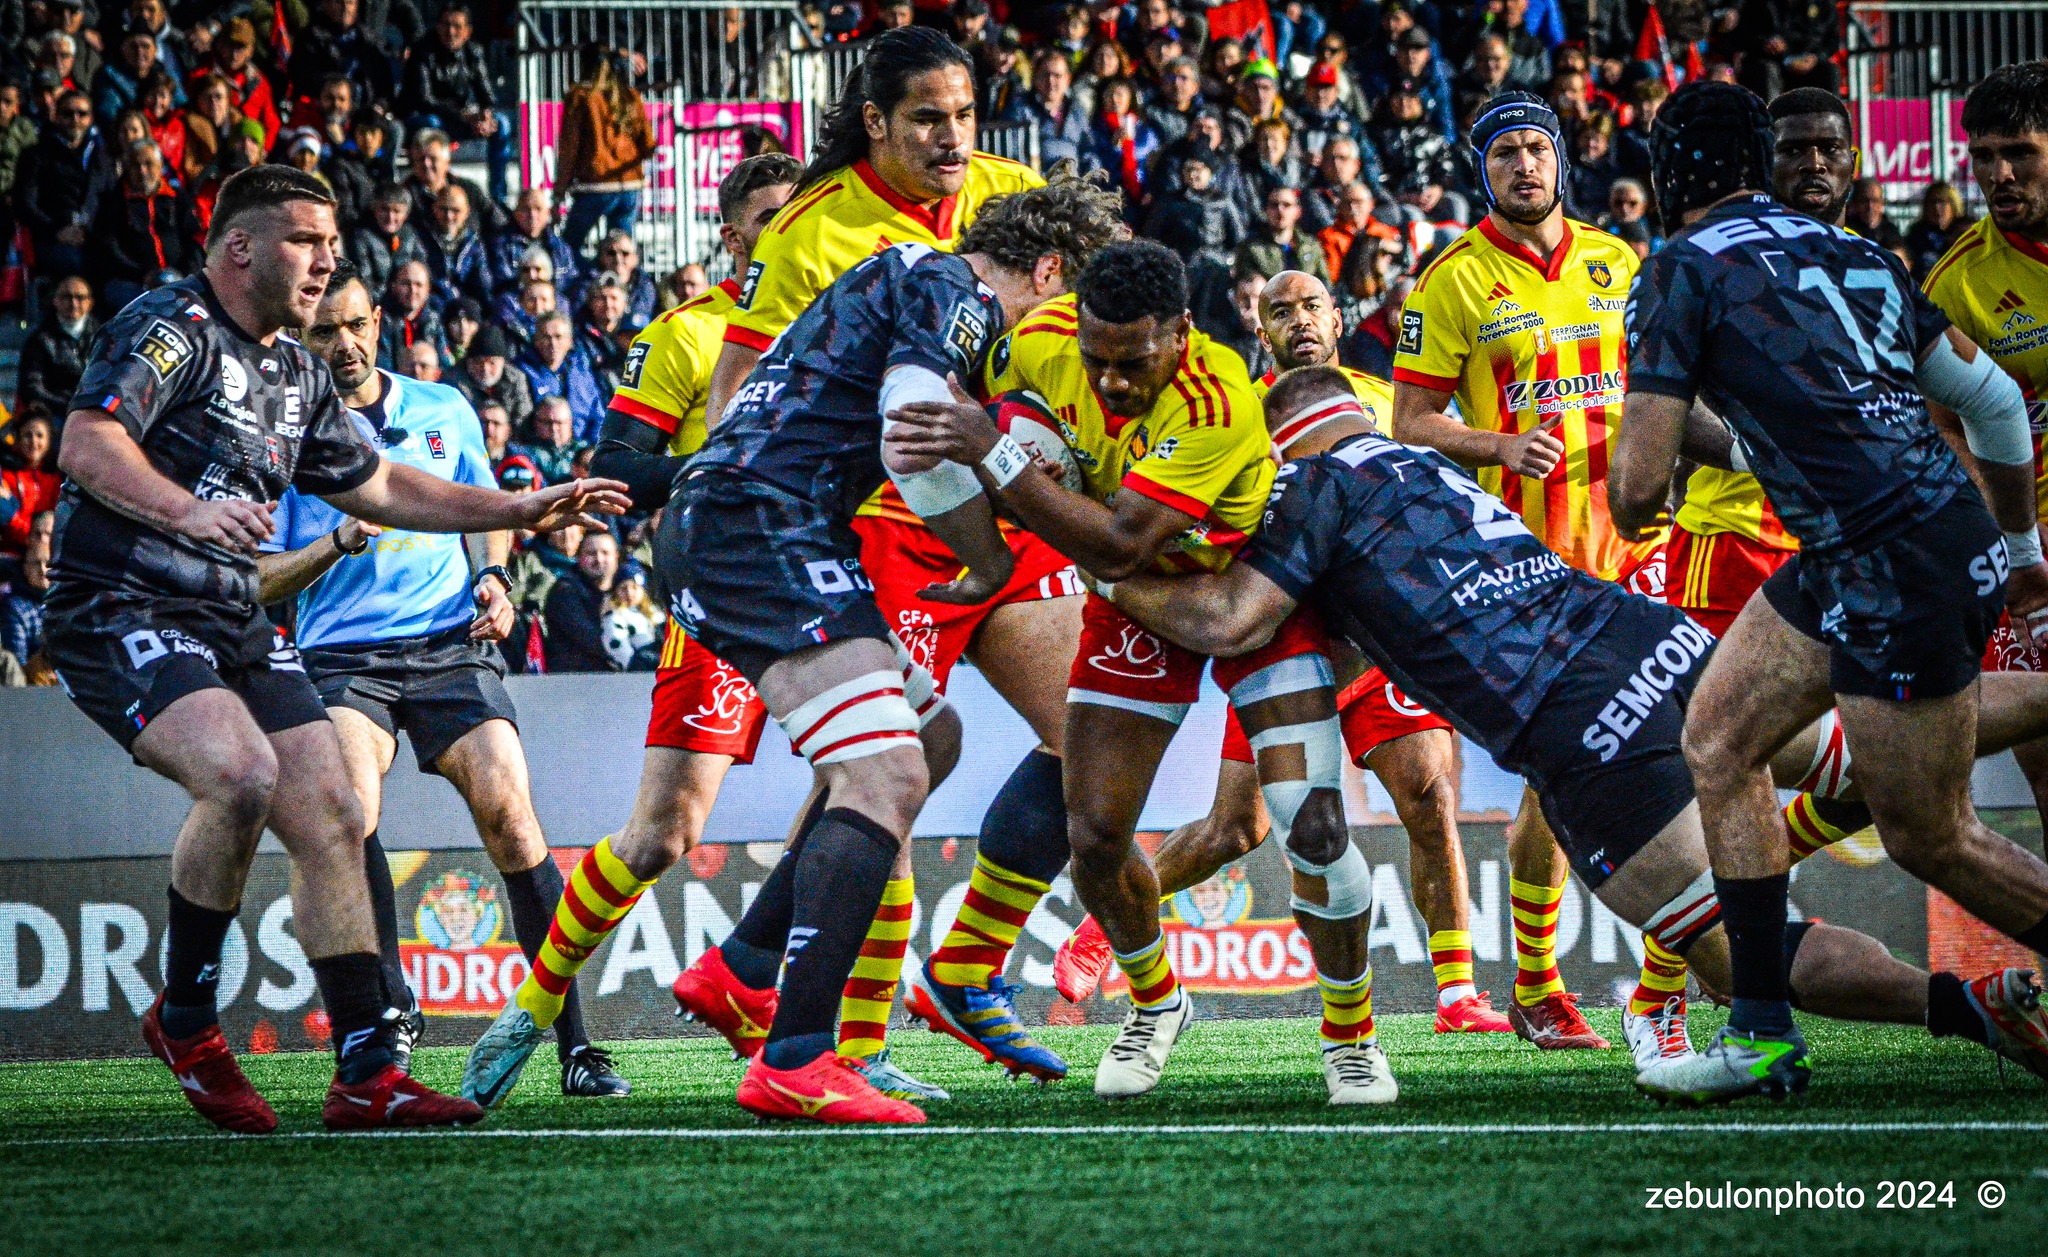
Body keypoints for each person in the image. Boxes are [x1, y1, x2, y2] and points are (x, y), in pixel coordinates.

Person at [1103, 363, 2048, 1098]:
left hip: (1581, 723)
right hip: (1649, 634)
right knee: (1882, 745)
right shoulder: (1426, 460)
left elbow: (1232, 620)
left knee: (1733, 955)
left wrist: (1109, 570)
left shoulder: (1304, 493)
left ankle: (1966, 1006)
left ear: (1279, 441)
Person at [464, 178, 1105, 1125]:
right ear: (1050, 271)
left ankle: (748, 967)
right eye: (1075, 306)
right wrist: (985, 556)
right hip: (759, 530)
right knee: (882, 774)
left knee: (929, 740)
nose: (1070, 336)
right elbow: (914, 427)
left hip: (759, 527)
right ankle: (797, 1056)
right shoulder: (954, 292)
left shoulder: (905, 277)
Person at [40, 164, 625, 1134]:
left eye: (331, 245)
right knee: (239, 773)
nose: (327, 261)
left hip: (226, 615)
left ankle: (366, 1068)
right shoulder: (170, 326)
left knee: (335, 806)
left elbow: (384, 488)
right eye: (306, 240)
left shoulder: (297, 373)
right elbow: (88, 443)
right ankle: (186, 1019)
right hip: (121, 600)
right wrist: (190, 512)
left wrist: (520, 507)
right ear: (239, 247)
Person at [1611, 81, 2048, 1103]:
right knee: (1716, 739)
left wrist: (1649, 487)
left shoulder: (1676, 268)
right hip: (1893, 544)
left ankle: (1762, 1025)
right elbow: (1988, 401)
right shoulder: (1861, 253)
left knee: (1928, 835)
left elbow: (1633, 491)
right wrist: (2019, 544)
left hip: (1887, 565)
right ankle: (1761, 1033)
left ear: (1668, 169)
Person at [887, 242, 1396, 1108]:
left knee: (1307, 826)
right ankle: (1159, 1001)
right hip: (1139, 601)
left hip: (1253, 590)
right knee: (1092, 836)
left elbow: (1118, 542)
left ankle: (1351, 1034)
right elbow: (958, 383)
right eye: (1098, 361)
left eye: (1134, 363)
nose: (1112, 382)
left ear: (1183, 333)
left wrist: (1000, 455)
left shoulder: (1220, 399)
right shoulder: (1046, 337)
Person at [1053, 272, 1513, 1035]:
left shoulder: (1388, 404)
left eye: (1311, 307)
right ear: (1258, 330)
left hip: (1371, 633)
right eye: (1280, 312)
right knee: (1238, 829)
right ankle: (1106, 923)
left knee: (1429, 794)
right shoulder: (1237, 411)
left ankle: (1458, 990)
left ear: (1339, 318)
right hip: (1280, 641)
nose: (1299, 321)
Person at [260, 258, 627, 1097]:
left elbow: (486, 511)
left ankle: (572, 1038)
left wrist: (493, 579)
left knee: (511, 815)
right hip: (344, 657)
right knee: (348, 812)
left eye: (356, 326)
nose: (344, 344)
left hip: (448, 646)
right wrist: (332, 545)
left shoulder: (443, 407)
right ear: (300, 338)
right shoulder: (287, 438)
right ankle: (387, 1011)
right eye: (325, 331)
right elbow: (263, 574)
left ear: (379, 325)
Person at [1390, 90, 1645, 1053]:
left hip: (1640, 547)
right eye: (1506, 155)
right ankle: (1538, 981)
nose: (1524, 167)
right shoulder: (1450, 281)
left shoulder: (1619, 260)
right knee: (1557, 768)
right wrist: (1499, 442)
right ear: (1482, 172)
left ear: (1563, 162)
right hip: (1533, 570)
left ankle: (1638, 976)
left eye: (1539, 148)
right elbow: (1411, 424)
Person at [1924, 61, 2048, 818]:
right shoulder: (1958, 283)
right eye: (1982, 156)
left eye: (2021, 153)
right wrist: (2015, 538)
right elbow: (1940, 431)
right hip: (2029, 558)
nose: (1998, 173)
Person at [400, 5, 511, 204]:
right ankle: (426, 189)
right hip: (424, 118)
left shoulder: (473, 52)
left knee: (501, 123)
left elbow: (487, 95)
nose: (451, 32)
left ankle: (498, 196)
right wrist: (465, 116)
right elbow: (424, 100)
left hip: (458, 118)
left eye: (457, 27)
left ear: (468, 31)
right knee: (430, 123)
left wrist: (485, 115)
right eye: (446, 25)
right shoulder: (422, 50)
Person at [556, 49, 655, 254]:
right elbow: (647, 145)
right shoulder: (631, 94)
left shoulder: (580, 96)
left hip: (595, 184)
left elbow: (569, 149)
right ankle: (616, 283)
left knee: (567, 248)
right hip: (630, 183)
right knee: (621, 250)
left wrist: (559, 192)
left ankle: (585, 280)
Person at [16, 89, 116, 282]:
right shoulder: (36, 155)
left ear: (91, 118)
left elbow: (111, 198)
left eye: (82, 114)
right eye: (68, 113)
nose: (75, 119)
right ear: (56, 116)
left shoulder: (102, 156)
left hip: (96, 236)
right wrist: (57, 231)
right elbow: (25, 204)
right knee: (81, 263)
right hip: (53, 239)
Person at [90, 139, 194, 310]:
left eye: (148, 164)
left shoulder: (178, 198)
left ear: (160, 165)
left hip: (180, 278)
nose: (142, 171)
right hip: (133, 283)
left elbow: (194, 241)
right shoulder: (113, 201)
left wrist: (183, 272)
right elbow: (108, 248)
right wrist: (143, 274)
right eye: (135, 165)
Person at [0, 411, 60, 667]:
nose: (32, 441)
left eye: (39, 435)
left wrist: (35, 536)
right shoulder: (7, 478)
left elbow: (55, 525)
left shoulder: (58, 481)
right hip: (11, 559)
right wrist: (34, 537)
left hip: (45, 557)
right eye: (27, 435)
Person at [287, 0, 396, 112]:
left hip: (364, 113)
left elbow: (384, 86)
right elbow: (304, 81)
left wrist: (379, 107)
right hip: (325, 109)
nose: (345, 8)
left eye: (349, 3)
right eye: (338, 2)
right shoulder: (310, 39)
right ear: (326, 4)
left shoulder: (369, 40)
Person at [189, 17, 279, 149]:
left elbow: (271, 123)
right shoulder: (202, 75)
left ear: (251, 51)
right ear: (220, 44)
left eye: (241, 47)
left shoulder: (259, 83)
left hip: (243, 154)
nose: (234, 54)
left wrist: (260, 152)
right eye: (230, 45)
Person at [517, 312, 607, 439]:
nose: (552, 343)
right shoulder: (522, 372)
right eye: (546, 337)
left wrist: (591, 449)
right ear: (536, 340)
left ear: (570, 341)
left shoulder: (582, 373)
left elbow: (598, 417)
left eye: (558, 337)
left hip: (581, 449)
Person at [18, 276, 99, 417]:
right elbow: (31, 387)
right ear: (55, 301)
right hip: (55, 415)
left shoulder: (104, 337)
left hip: (95, 412)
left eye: (80, 297)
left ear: (90, 303)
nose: (73, 303)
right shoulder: (39, 340)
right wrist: (69, 407)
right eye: (67, 297)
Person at [489, 187, 577, 299]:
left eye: (538, 209)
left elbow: (572, 283)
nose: (532, 215)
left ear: (548, 213)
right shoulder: (500, 245)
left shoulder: (560, 248)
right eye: (525, 209)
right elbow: (502, 284)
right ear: (515, 213)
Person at [1236, 184, 1331, 282]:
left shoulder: (1311, 245)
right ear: (1266, 211)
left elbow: (1324, 283)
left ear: (1298, 211)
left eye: (1286, 205)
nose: (1280, 210)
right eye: (1274, 205)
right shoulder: (1251, 248)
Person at [349, 181, 425, 294]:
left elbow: (422, 268)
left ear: (406, 214)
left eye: (397, 211)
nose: (390, 217)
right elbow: (364, 280)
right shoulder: (362, 236)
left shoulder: (409, 234)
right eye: (384, 209)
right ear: (374, 208)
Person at [422, 182, 489, 307]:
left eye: (455, 210)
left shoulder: (474, 244)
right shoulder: (422, 239)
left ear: (466, 212)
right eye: (444, 209)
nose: (449, 216)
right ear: (434, 209)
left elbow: (482, 285)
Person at [376, 259, 442, 370]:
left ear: (428, 290)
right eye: (406, 284)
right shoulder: (384, 321)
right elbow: (383, 366)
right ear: (394, 286)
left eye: (419, 285)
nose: (412, 290)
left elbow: (443, 364)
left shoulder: (433, 321)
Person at [1906, 180, 1970, 282]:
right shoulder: (1916, 236)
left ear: (1953, 204)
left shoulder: (1965, 231)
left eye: (1942, 202)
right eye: (1932, 202)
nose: (1936, 207)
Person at [1844, 176, 1905, 253]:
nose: (1870, 206)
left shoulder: (1891, 231)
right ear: (1855, 203)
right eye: (1864, 201)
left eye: (1875, 201)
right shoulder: (1847, 229)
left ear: (1882, 203)